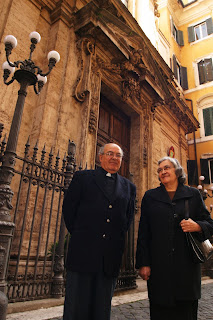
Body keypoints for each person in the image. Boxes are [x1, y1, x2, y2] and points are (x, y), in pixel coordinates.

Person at [63, 143, 136, 320]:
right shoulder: (82, 177)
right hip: (83, 253)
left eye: (118, 155)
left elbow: (127, 219)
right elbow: (69, 210)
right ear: (100, 157)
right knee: (76, 308)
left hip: (110, 257)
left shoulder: (129, 187)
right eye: (109, 154)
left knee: (101, 309)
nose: (114, 158)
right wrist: (83, 234)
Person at [136, 156, 213, 320]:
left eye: (167, 168)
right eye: (160, 170)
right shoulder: (150, 196)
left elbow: (209, 223)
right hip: (159, 269)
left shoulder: (192, 194)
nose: (163, 172)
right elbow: (144, 233)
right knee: (160, 312)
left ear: (177, 171)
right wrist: (143, 263)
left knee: (186, 313)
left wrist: (198, 226)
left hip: (187, 268)